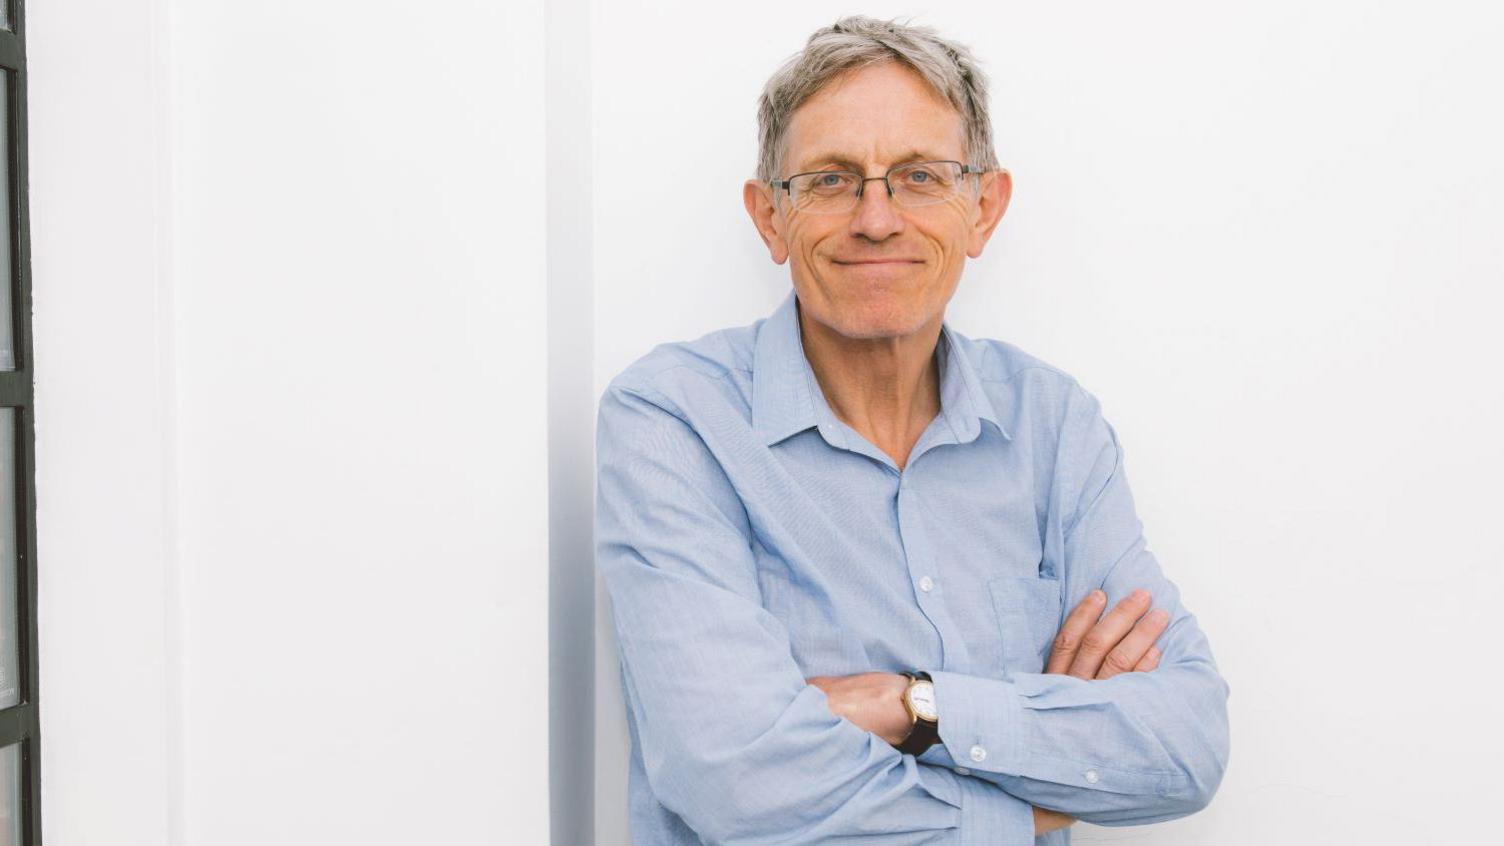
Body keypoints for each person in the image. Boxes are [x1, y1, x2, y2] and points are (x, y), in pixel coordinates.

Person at [595, 15, 1230, 844]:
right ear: (769, 219)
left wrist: (912, 706)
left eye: (921, 177)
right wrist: (1034, 794)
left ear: (983, 208)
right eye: (829, 180)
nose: (877, 218)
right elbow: (732, 777)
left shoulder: (1054, 426)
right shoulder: (673, 422)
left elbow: (1185, 745)